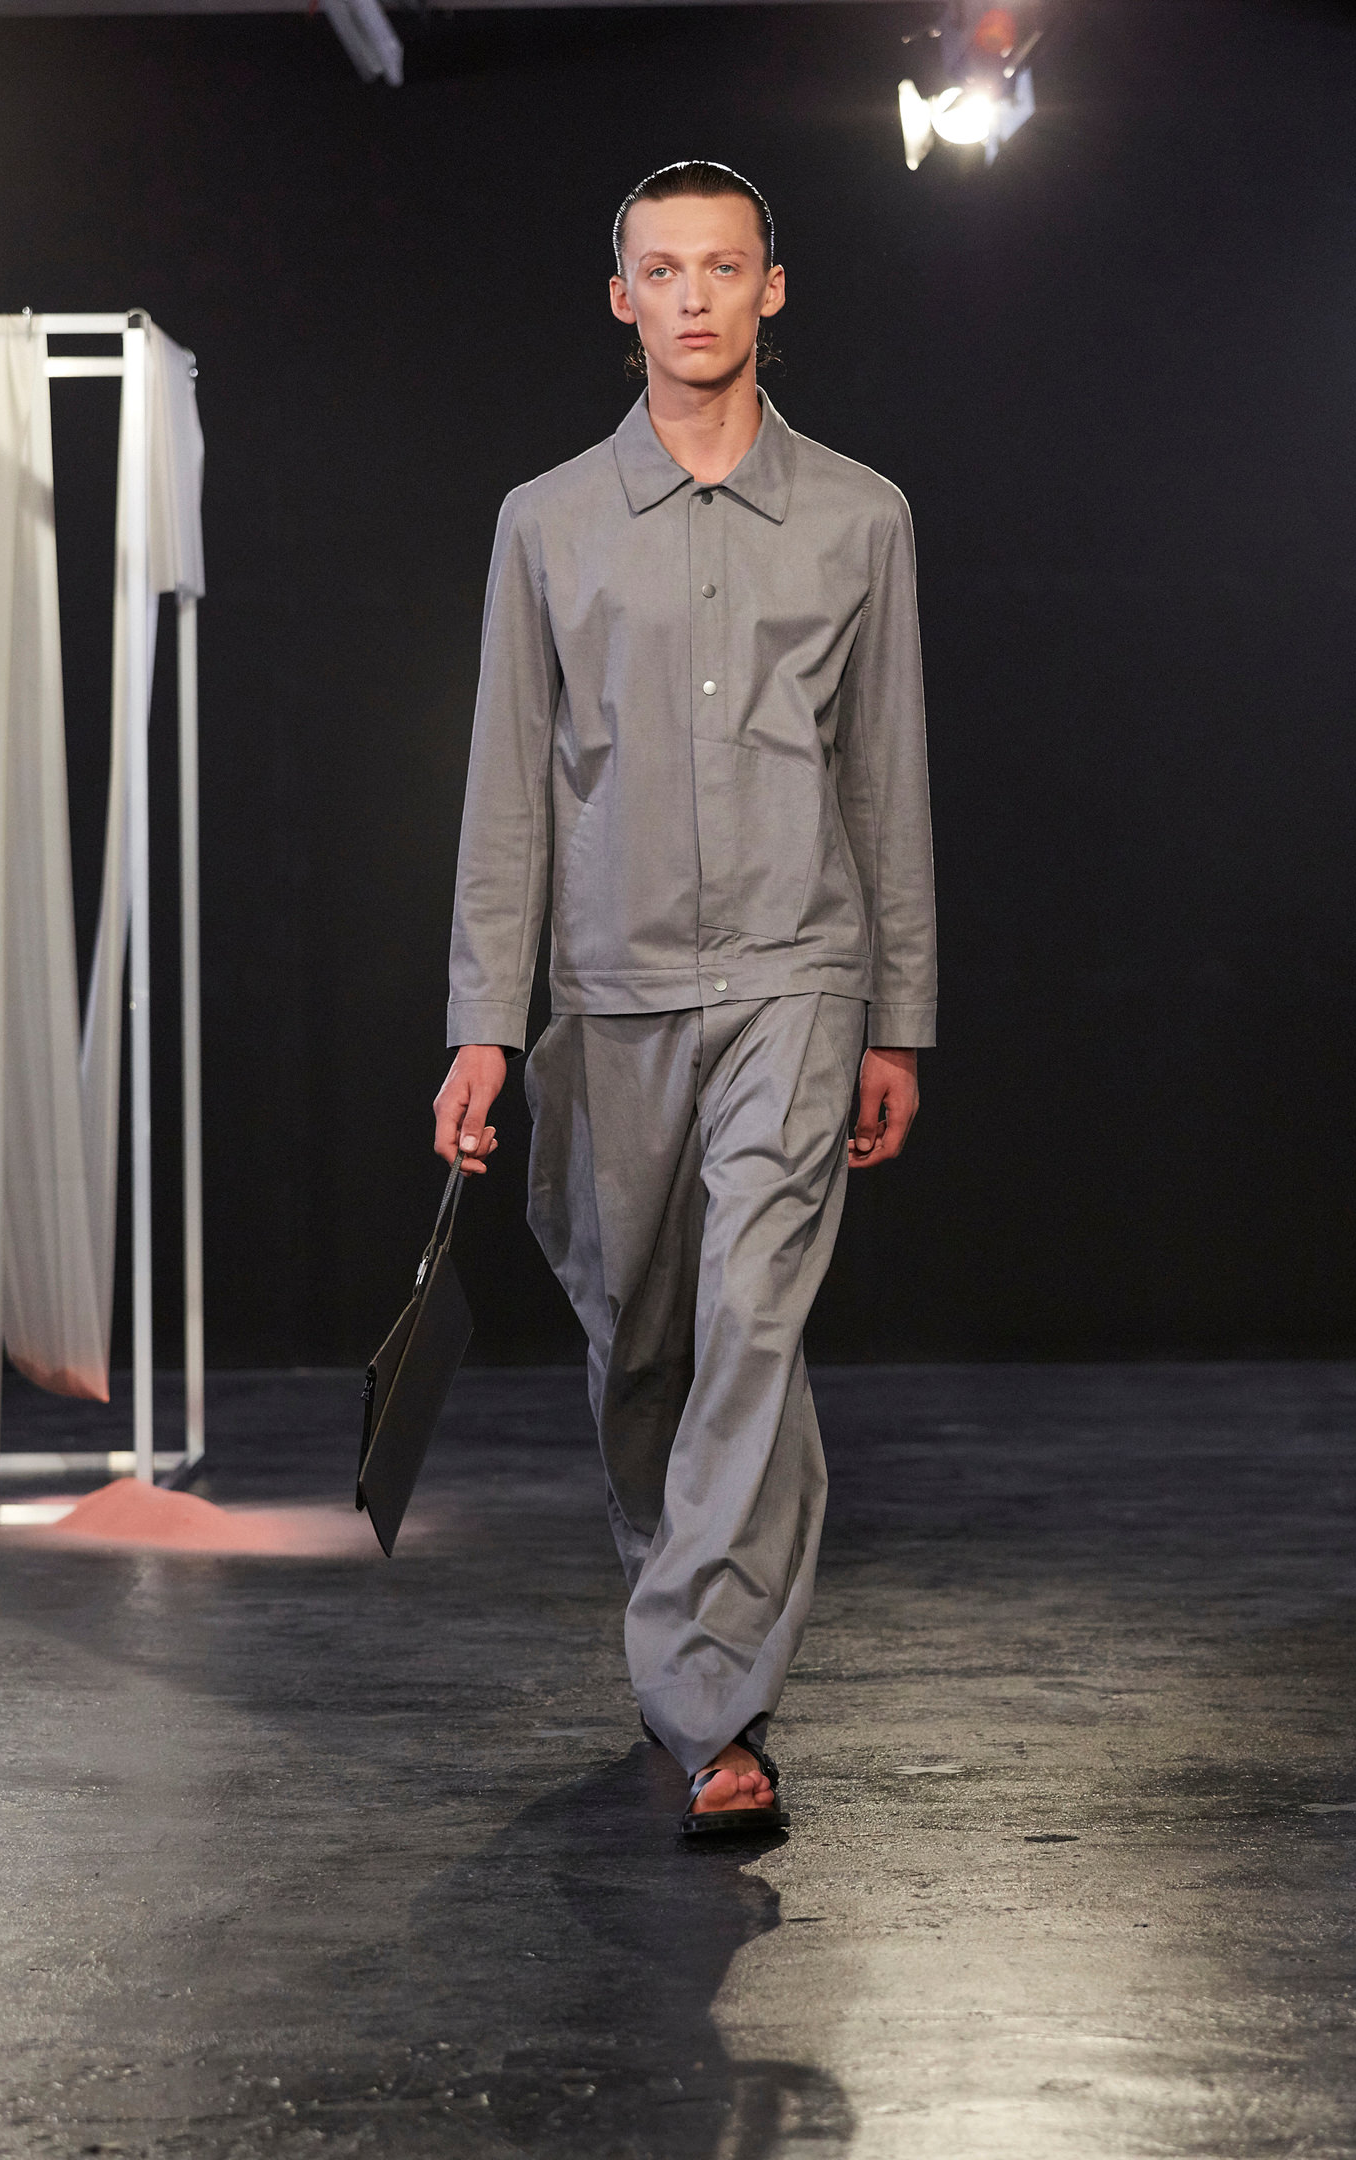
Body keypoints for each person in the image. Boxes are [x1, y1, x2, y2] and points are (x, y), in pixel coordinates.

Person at [433, 161, 936, 1837]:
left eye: (725, 267)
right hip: (612, 991)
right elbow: (507, 789)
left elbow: (887, 779)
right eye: (665, 270)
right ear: (622, 297)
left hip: (799, 975)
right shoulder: (546, 521)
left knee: (752, 1323)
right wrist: (484, 1023)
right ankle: (689, 1641)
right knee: (642, 1351)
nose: (697, 297)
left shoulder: (861, 516)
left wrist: (896, 1015)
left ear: (772, 290)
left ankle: (718, 1708)